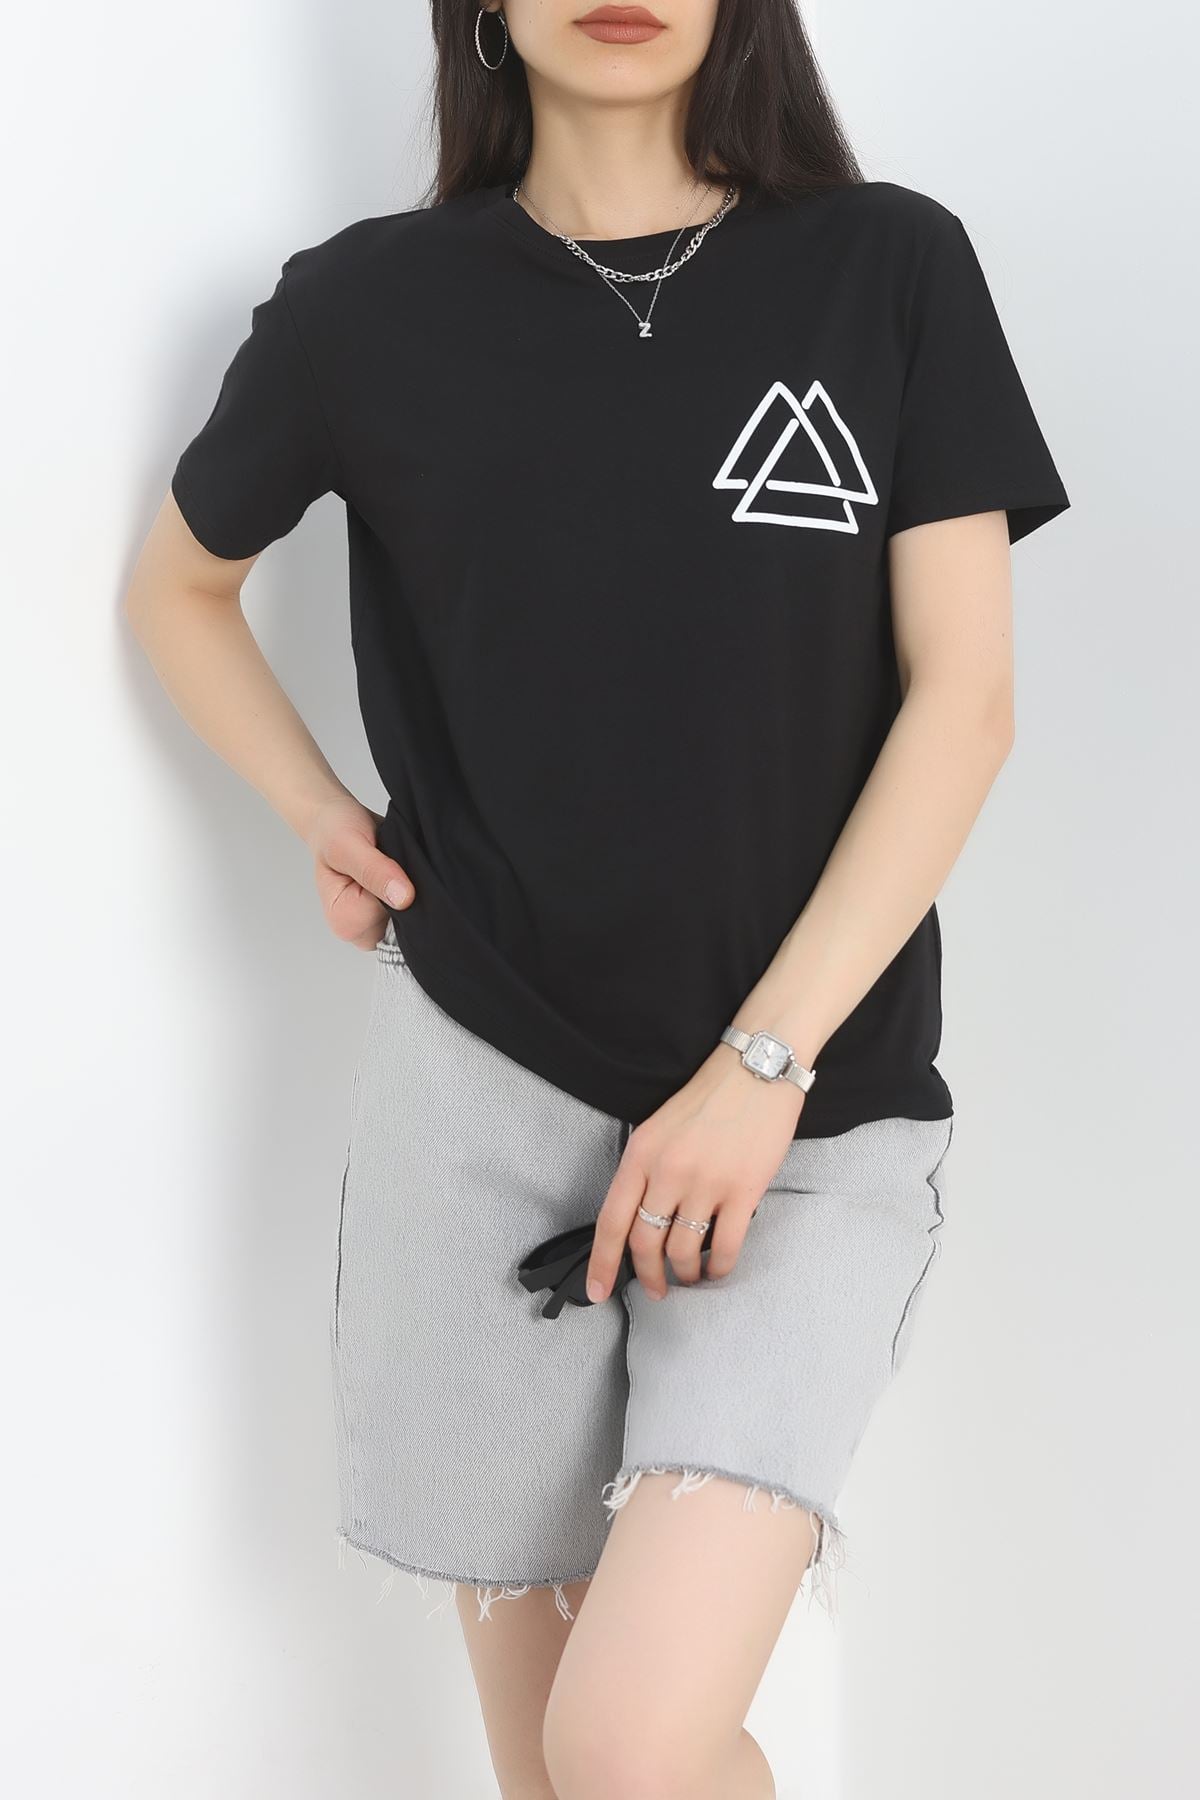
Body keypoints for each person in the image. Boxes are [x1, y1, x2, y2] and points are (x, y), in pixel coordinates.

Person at [125, 3, 1070, 1794]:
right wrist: (319, 809)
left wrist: (761, 1067)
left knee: (630, 1745)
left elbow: (967, 702)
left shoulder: (886, 267)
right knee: (556, 1777)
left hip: (805, 1115)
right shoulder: (364, 307)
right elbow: (177, 585)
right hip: (478, 1109)